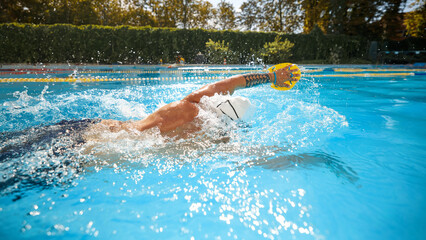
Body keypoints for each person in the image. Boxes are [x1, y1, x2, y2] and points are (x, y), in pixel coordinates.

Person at [97, 65, 300, 134]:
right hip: (98, 139)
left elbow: (232, 83)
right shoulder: (199, 122)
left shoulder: (192, 104)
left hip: (104, 130)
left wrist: (271, 76)